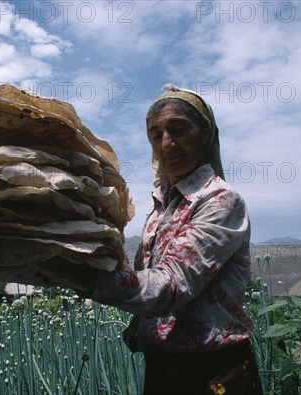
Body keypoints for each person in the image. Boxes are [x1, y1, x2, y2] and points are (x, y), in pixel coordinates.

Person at [86, 84, 263, 394]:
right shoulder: (160, 207)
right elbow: (141, 278)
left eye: (179, 129)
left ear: (205, 134)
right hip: (163, 371)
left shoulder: (221, 201)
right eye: (156, 135)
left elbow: (170, 285)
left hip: (214, 374)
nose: (167, 144)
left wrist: (85, 278)